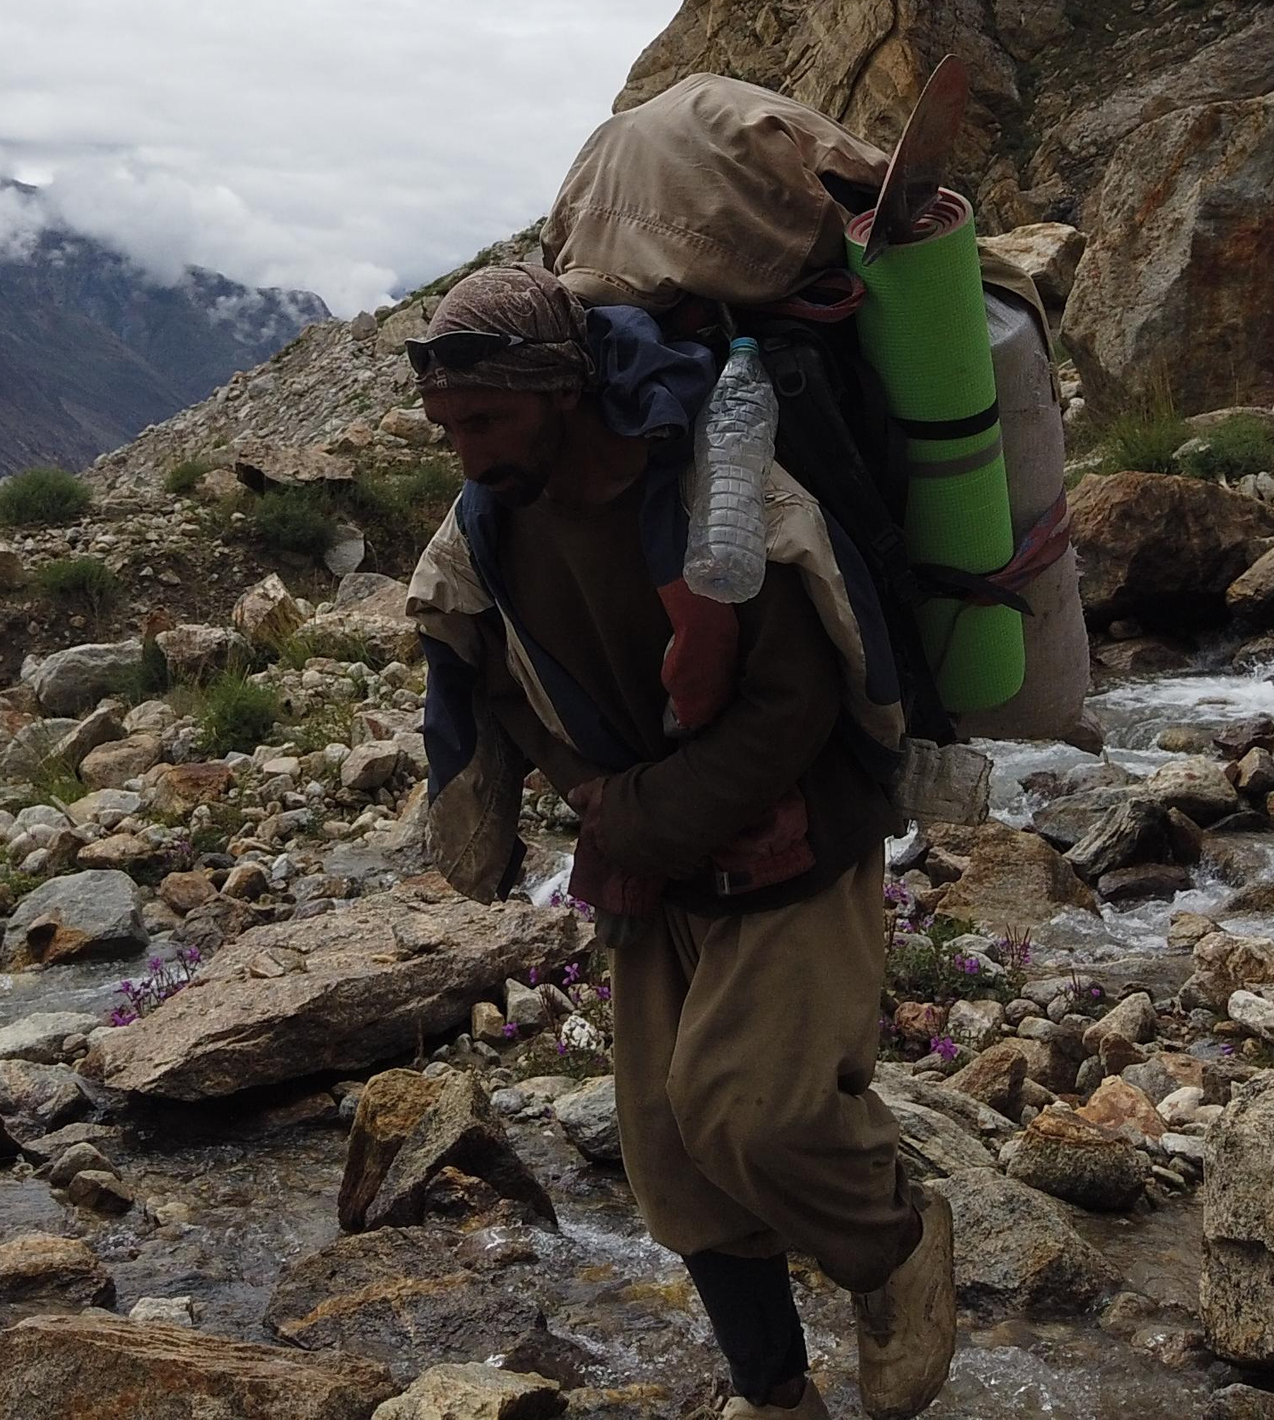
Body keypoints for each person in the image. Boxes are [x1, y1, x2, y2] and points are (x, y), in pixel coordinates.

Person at [407, 262, 956, 1419]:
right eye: (448, 426)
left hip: (793, 841)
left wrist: (635, 818)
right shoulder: (492, 527)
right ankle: (774, 1395)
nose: (467, 450)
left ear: (562, 391)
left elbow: (793, 696)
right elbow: (501, 682)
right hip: (647, 856)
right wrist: (587, 789)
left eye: (488, 419)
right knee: (673, 1160)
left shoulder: (716, 483)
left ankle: (894, 1243)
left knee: (753, 1114)